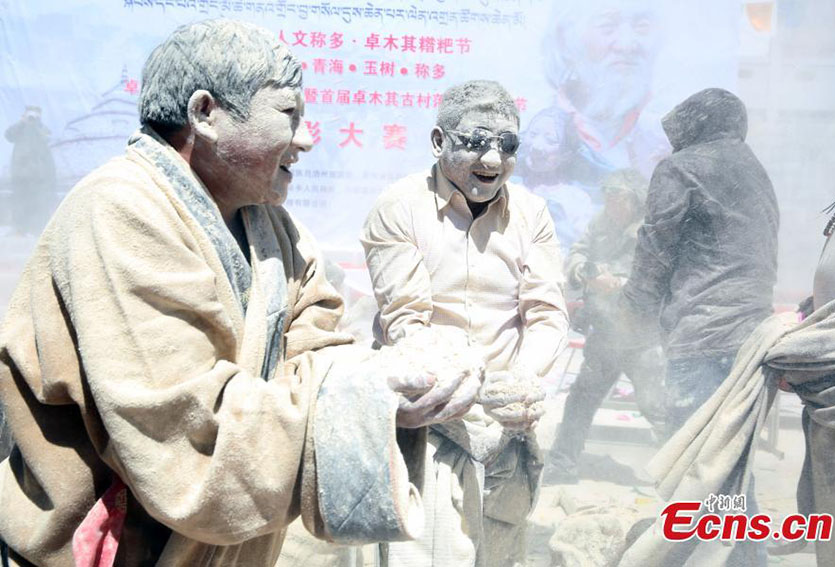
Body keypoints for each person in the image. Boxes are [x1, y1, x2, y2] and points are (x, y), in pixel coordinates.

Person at [0, 20, 481, 567]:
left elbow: (318, 349)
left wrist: (390, 385)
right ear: (205, 113)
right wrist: (366, 394)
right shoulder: (118, 209)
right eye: (288, 114)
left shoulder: (274, 227)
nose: (306, 137)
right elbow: (184, 426)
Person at [361, 80, 569, 567]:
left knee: (498, 553)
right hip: (429, 419)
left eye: (507, 145)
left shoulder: (533, 213)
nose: (493, 161)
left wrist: (523, 381)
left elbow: (546, 314)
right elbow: (406, 323)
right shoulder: (399, 207)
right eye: (476, 142)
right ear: (439, 142)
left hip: (506, 424)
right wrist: (469, 387)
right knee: (423, 553)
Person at [621, 87, 778, 567]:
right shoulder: (755, 171)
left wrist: (633, 313)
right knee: (729, 455)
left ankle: (695, 557)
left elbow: (656, 248)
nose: (672, 145)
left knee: (698, 458)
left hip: (702, 337)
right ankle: (746, 555)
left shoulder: (682, 168)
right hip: (752, 338)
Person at [546, 168, 664, 484]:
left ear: (635, 199)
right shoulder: (601, 223)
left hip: (642, 338)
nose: (611, 204)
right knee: (580, 401)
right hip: (606, 335)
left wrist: (619, 284)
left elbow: (660, 278)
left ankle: (680, 474)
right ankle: (562, 465)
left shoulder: (653, 230)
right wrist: (585, 273)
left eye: (618, 197)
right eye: (608, 197)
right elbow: (578, 253)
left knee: (657, 407)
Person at [540, 0, 670, 198]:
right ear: (565, 40)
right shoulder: (536, 124)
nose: (627, 45)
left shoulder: (667, 133)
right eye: (607, 26)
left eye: (642, 26)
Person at [515, 106, 594, 252]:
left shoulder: (576, 200)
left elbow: (580, 251)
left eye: (550, 140)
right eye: (533, 134)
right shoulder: (508, 188)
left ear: (566, 154)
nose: (536, 146)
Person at [4, 105, 56, 236]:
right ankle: (20, 229)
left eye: (35, 114)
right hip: (20, 172)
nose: (32, 117)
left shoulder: (42, 128)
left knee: (38, 202)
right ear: (25, 114)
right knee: (20, 201)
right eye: (30, 114)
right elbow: (8, 136)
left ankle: (38, 229)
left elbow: (48, 137)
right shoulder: (20, 128)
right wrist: (22, 123)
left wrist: (37, 125)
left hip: (38, 175)